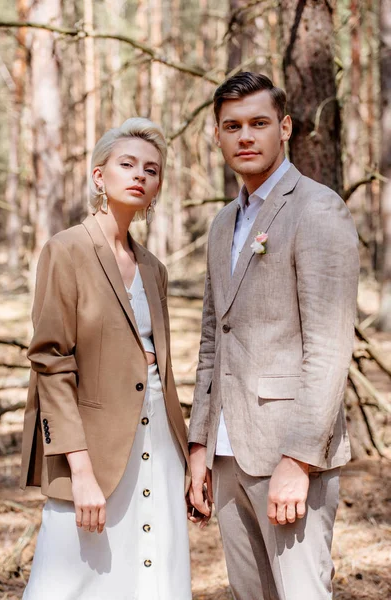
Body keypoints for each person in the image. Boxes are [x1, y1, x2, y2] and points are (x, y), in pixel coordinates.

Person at [188, 72, 359, 600]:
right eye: (232, 126)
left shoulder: (317, 209)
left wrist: (299, 460)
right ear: (217, 135)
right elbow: (213, 341)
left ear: (284, 128)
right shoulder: (222, 225)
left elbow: (329, 348)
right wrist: (199, 443)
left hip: (287, 453)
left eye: (259, 123)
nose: (245, 136)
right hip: (226, 453)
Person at [20, 118, 192, 600]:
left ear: (157, 186)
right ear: (100, 176)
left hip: (158, 440)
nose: (140, 174)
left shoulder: (153, 268)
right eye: (127, 164)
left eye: (151, 169)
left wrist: (186, 458)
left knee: (151, 574)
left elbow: (160, 371)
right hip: (91, 450)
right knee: (72, 578)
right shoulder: (67, 250)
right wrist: (80, 470)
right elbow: (50, 361)